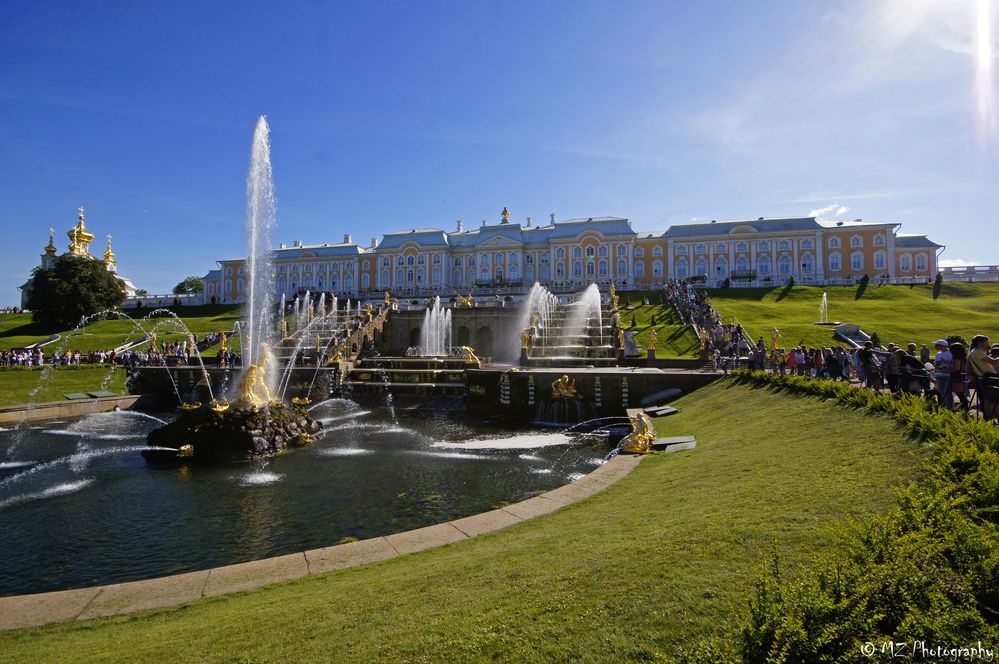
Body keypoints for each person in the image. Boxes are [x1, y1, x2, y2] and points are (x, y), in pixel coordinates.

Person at [969, 335, 999, 421]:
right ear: (980, 343)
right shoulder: (978, 352)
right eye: (986, 342)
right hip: (989, 379)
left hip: (985, 378)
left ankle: (989, 419)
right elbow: (994, 362)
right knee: (992, 401)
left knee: (988, 400)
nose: (988, 344)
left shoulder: (975, 351)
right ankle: (990, 418)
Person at [932, 339, 954, 409]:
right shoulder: (938, 354)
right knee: (941, 392)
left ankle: (949, 407)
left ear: (942, 346)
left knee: (947, 392)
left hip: (947, 375)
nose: (935, 346)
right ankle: (944, 406)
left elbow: (952, 364)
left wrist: (945, 362)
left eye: (937, 345)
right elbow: (935, 364)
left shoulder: (950, 353)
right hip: (939, 374)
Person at [949, 342, 970, 411]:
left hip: (956, 376)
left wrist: (947, 370)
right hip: (959, 376)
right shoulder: (962, 357)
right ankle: (964, 407)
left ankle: (964, 407)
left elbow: (957, 368)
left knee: (960, 393)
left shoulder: (957, 358)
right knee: (960, 393)